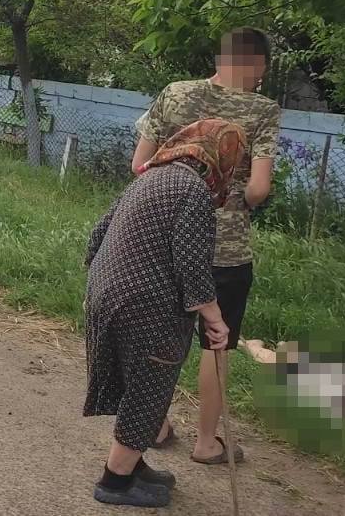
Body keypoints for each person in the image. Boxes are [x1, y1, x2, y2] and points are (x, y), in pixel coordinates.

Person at [129, 27, 281, 464]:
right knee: (218, 345)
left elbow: (139, 165)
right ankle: (206, 442)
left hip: (161, 236)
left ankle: (153, 425)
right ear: (258, 66)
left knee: (160, 334)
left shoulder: (175, 93)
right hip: (225, 249)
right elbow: (257, 190)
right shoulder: (263, 110)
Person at [84, 119, 245, 508]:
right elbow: (192, 266)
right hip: (145, 306)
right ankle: (116, 481)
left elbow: (97, 234)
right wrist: (216, 319)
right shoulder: (193, 191)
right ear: (220, 158)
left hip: (105, 293)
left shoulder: (151, 177)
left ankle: (133, 464)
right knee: (148, 389)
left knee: (135, 384)